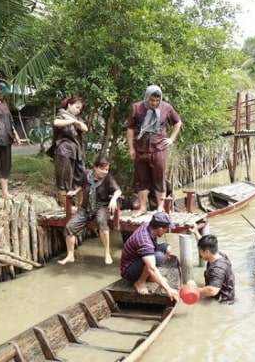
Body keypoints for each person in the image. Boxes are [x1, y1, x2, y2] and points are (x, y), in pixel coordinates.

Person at [127, 85, 182, 217]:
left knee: (159, 178)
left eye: (157, 101)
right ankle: (142, 207)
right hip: (141, 149)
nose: (154, 103)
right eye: (152, 100)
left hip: (159, 148)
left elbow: (177, 122)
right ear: (147, 97)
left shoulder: (166, 108)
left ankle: (160, 207)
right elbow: (130, 128)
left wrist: (172, 139)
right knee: (141, 179)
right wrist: (131, 147)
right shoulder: (136, 108)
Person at [58, 155, 121, 265]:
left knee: (102, 222)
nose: (105, 172)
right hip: (86, 208)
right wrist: (75, 192)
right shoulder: (86, 174)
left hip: (101, 206)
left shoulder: (108, 178)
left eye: (107, 169)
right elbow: (82, 186)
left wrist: (114, 199)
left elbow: (118, 191)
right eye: (102, 169)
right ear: (95, 167)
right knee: (69, 227)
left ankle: (107, 252)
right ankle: (70, 255)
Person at [120, 212, 179, 299]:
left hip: (140, 258)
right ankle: (140, 281)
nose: (167, 231)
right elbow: (151, 267)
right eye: (166, 229)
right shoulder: (144, 240)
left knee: (167, 248)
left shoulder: (150, 226)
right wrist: (168, 289)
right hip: (129, 270)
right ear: (160, 228)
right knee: (158, 257)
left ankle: (149, 276)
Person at [49, 96, 88, 208]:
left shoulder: (77, 118)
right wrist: (70, 120)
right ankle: (66, 211)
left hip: (77, 153)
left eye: (80, 109)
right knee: (64, 181)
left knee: (81, 179)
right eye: (76, 107)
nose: (78, 110)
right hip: (63, 151)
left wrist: (74, 120)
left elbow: (85, 128)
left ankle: (81, 209)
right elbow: (56, 122)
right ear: (69, 105)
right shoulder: (61, 114)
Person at [186, 229, 235, 304]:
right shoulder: (218, 255)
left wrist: (193, 289)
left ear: (207, 252)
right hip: (223, 294)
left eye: (200, 251)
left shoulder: (218, 269)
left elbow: (212, 291)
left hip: (221, 302)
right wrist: (196, 232)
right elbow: (203, 245)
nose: (199, 253)